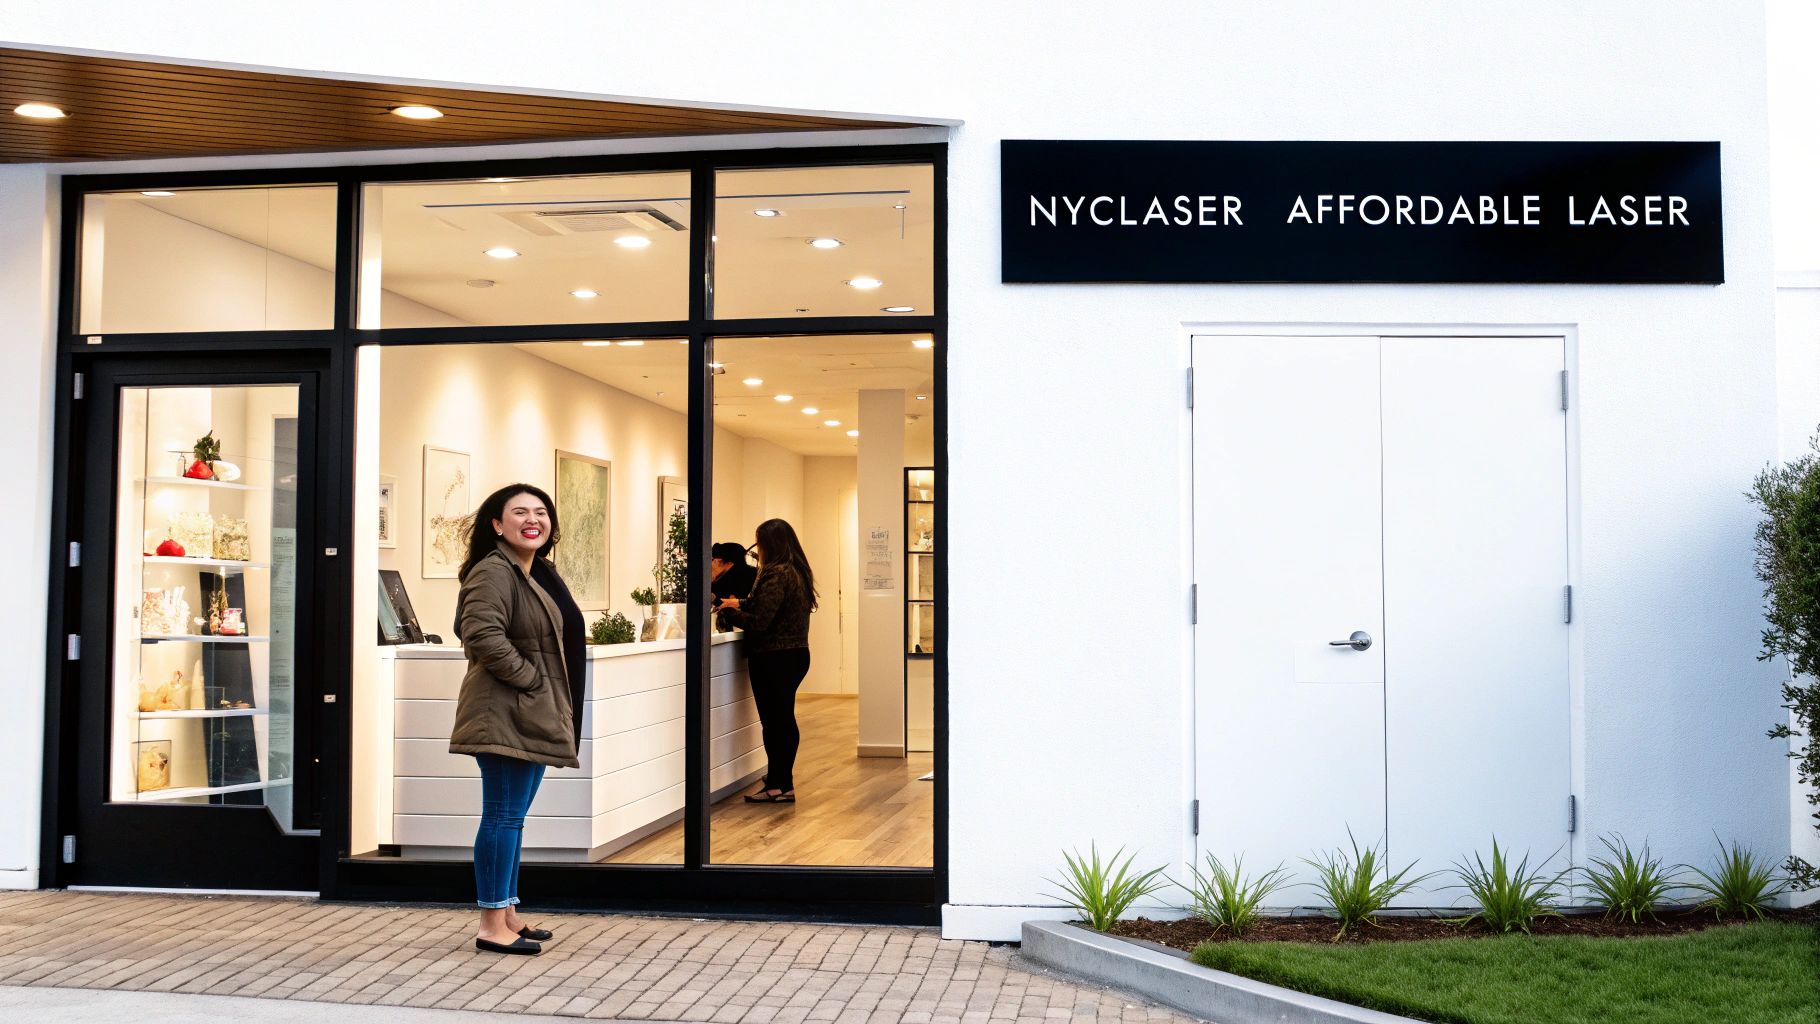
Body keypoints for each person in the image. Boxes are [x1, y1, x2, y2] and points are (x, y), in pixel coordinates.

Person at [449, 483, 582, 956]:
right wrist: (530, 679)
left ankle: (507, 912)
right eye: (520, 512)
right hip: (504, 710)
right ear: (497, 524)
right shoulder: (494, 571)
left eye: (541, 512)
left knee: (514, 818)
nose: (533, 520)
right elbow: (480, 632)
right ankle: (490, 924)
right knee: (503, 816)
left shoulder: (527, 570)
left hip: (526, 711)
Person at [716, 518, 817, 804]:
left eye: (759, 542)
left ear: (769, 544)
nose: (756, 549)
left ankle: (779, 785)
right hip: (794, 654)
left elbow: (760, 622)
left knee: (775, 723)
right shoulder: (796, 571)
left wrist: (730, 612)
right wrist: (741, 603)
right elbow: (771, 605)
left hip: (774, 658)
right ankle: (780, 781)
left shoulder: (776, 573)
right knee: (783, 720)